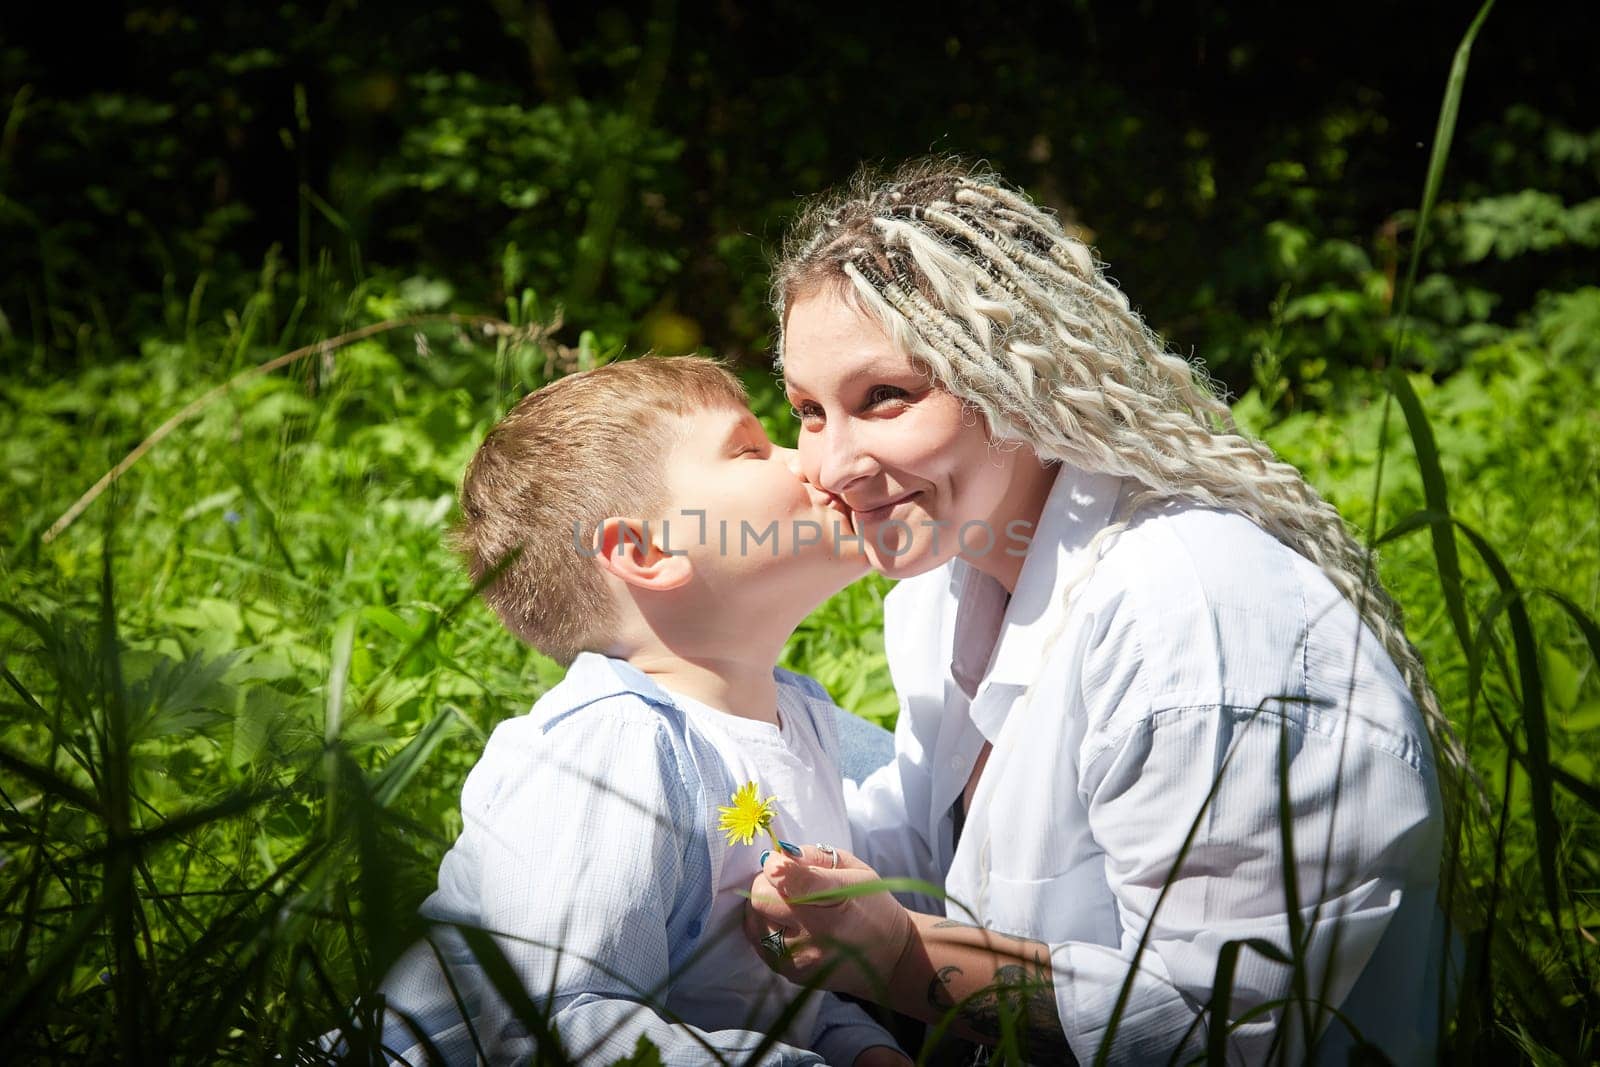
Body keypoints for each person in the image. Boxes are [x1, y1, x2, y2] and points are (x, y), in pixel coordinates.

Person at [742, 161, 1464, 1065]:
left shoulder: (1191, 620)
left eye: (884, 396)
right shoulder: (940, 588)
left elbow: (1220, 1029)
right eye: (809, 410)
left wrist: (897, 957)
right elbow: (914, 860)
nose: (831, 463)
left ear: (1016, 374)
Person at [376, 357, 908, 1065]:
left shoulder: (803, 716)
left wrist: (865, 1047)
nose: (806, 457)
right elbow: (560, 1018)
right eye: (750, 448)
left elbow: (784, 997)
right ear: (644, 550)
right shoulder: (615, 741)